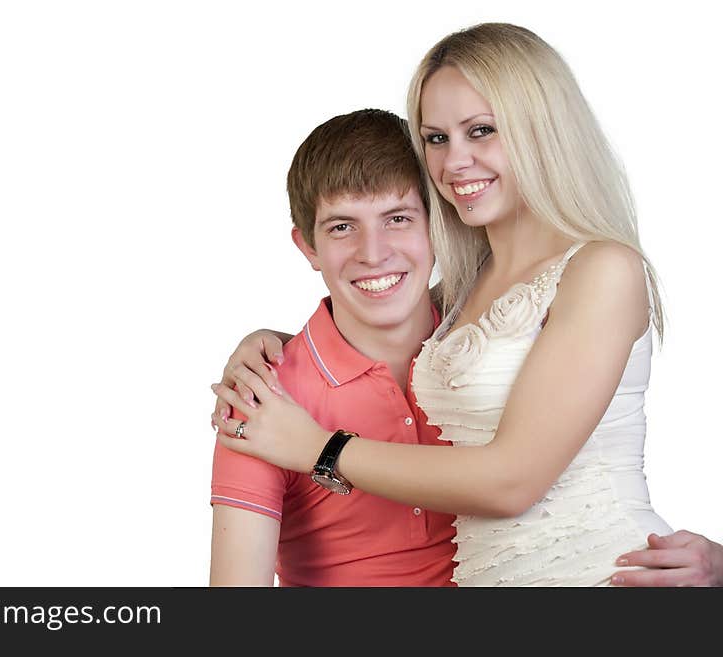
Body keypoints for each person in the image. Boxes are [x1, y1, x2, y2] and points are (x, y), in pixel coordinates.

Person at [212, 23, 723, 586]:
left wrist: (316, 447)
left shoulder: (601, 269)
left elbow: (512, 481)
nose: (456, 162)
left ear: (539, 129)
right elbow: (376, 313)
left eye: (481, 130)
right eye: (436, 139)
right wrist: (277, 347)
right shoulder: (463, 292)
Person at [210, 108, 459, 586]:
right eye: (343, 227)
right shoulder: (264, 398)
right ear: (308, 247)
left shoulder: (488, 347)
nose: (374, 252)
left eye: (398, 218)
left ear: (436, 224)